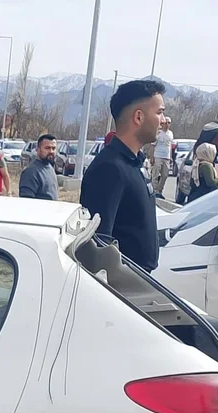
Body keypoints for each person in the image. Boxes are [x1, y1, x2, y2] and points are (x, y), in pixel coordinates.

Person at [80, 78, 165, 271]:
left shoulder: (134, 162)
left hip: (140, 278)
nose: (164, 120)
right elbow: (98, 244)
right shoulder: (110, 168)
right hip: (121, 285)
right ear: (138, 117)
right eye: (159, 112)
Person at [19, 134, 59, 200]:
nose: (51, 151)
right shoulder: (31, 172)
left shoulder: (50, 168)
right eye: (47, 148)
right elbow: (26, 201)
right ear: (38, 150)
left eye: (53, 148)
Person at [151, 116, 174, 196]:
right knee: (155, 174)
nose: (167, 124)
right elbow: (153, 145)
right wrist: (152, 157)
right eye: (166, 123)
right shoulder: (158, 133)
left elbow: (170, 146)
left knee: (165, 175)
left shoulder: (170, 134)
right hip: (158, 156)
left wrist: (170, 156)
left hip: (166, 157)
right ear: (163, 124)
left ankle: (160, 190)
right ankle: (155, 191)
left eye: (169, 123)